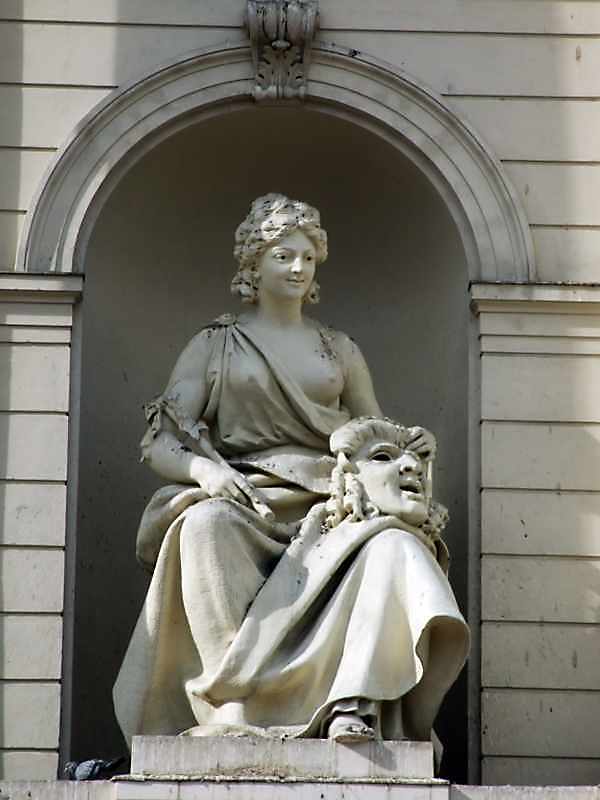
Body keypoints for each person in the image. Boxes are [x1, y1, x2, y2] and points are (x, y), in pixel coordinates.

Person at [113, 194, 468, 747]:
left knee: (390, 545)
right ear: (253, 266)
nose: (299, 268)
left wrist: (410, 446)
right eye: (284, 256)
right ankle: (230, 703)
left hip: (331, 502)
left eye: (307, 257)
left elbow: (373, 431)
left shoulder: (339, 349)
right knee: (203, 526)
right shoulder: (216, 344)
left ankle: (350, 702)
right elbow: (161, 440)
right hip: (243, 495)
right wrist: (207, 474)